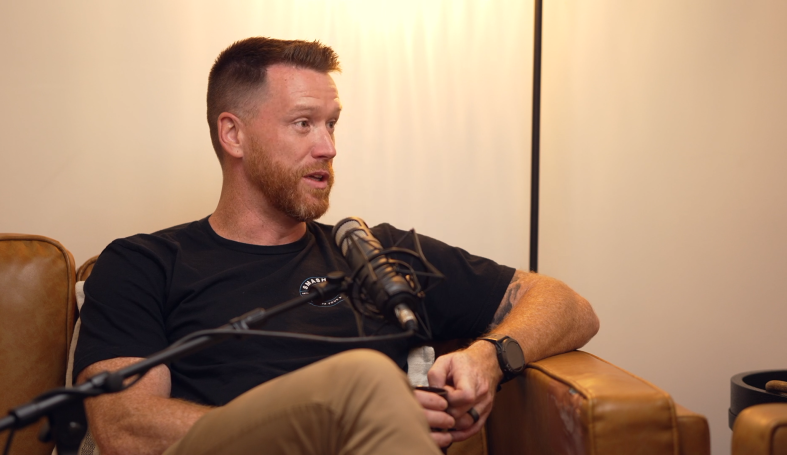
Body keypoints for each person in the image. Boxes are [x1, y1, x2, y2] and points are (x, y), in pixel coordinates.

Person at [74, 37, 599, 455]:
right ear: (234, 135)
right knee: (364, 379)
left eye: (331, 125)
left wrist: (489, 357)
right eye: (303, 124)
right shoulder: (143, 264)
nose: (328, 147)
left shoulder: (377, 255)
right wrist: (344, 421)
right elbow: (126, 426)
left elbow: (570, 306)